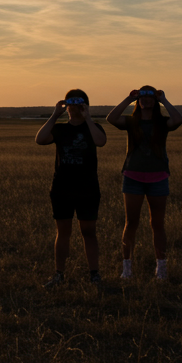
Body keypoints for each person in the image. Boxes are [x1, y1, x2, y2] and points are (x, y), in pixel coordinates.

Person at [107, 85, 182, 281]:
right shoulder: (132, 121)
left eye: (150, 96)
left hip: (158, 177)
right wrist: (128, 98)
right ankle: (127, 268)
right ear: (138, 100)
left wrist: (164, 99)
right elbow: (111, 118)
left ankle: (161, 269)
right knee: (131, 223)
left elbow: (178, 120)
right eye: (142, 96)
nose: (146, 99)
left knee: (157, 224)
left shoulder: (162, 122)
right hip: (133, 176)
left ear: (155, 101)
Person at [35, 89, 107, 287]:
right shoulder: (60, 129)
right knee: (63, 232)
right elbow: (40, 139)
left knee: (89, 231)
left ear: (86, 105)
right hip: (62, 188)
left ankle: (94, 274)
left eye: (79, 103)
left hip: (88, 188)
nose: (74, 107)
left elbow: (100, 142)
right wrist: (55, 114)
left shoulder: (94, 127)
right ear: (66, 106)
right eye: (71, 103)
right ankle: (59, 274)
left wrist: (88, 118)